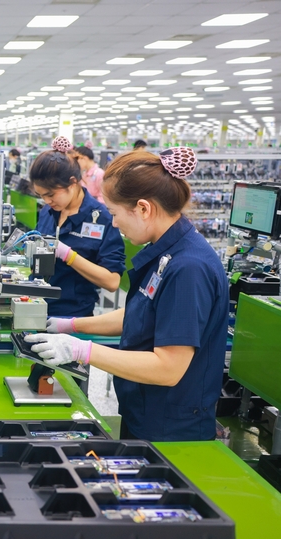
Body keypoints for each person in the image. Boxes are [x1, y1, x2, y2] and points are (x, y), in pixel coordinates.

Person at [25, 148, 228, 442]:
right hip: (146, 410)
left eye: (115, 214)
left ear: (143, 208)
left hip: (171, 427)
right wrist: (71, 326)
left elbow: (168, 368)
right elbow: (139, 314)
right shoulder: (165, 252)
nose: (115, 224)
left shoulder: (189, 268)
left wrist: (83, 350)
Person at [29, 136, 126, 317]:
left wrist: (70, 256)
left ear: (73, 183)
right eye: (41, 195)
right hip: (34, 307)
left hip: (72, 317)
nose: (47, 201)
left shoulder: (102, 219)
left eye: (50, 194)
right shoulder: (47, 212)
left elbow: (112, 281)